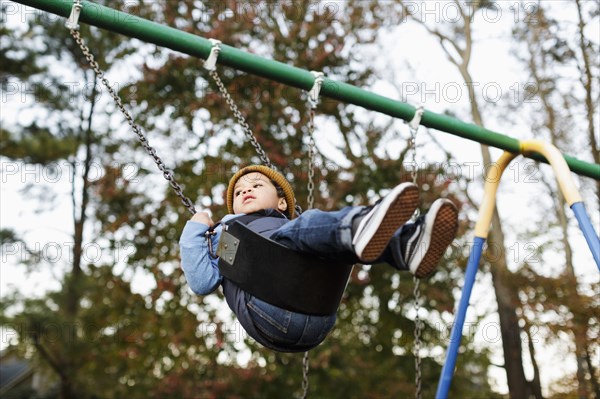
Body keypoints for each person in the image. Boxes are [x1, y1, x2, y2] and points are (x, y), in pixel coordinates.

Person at [179, 165, 458, 353]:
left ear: (282, 202)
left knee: (319, 238)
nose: (245, 191)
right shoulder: (227, 234)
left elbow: (301, 233)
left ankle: (405, 245)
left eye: (256, 185)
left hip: (317, 313)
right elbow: (202, 282)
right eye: (238, 193)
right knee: (310, 227)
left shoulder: (293, 228)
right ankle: (368, 229)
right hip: (267, 310)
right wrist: (195, 229)